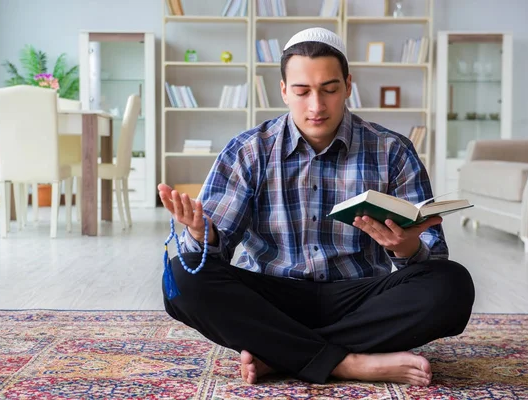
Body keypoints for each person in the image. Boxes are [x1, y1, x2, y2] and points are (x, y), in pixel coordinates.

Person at [158, 27, 475, 387]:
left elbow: (433, 259)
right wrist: (202, 233)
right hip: (272, 296)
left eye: (329, 89)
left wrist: (404, 246)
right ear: (283, 91)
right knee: (181, 279)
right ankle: (351, 363)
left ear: (348, 85)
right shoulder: (248, 150)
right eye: (302, 91)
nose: (316, 106)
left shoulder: (392, 150)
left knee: (453, 285)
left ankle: (280, 352)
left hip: (358, 295)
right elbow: (210, 256)